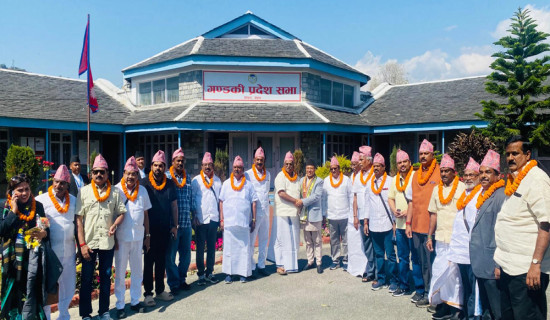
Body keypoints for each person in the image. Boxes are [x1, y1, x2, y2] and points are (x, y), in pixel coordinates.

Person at [495, 135, 550, 320]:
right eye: (508, 154)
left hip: (527, 270)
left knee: (528, 316)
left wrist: (535, 264)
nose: (510, 158)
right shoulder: (513, 179)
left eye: (515, 153)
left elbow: (546, 223)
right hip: (508, 266)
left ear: (527, 155)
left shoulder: (536, 179)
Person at [76, 154, 126, 320]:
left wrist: (115, 224)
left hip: (107, 242)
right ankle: (85, 315)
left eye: (102, 172)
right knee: (87, 279)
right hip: (89, 242)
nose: (99, 175)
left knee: (105, 277)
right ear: (91, 173)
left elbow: (121, 213)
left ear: (107, 173)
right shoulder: (83, 192)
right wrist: (82, 244)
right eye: (96, 172)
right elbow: (79, 221)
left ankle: (104, 311)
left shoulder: (116, 192)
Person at [0, 174, 51, 319]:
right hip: (12, 264)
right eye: (20, 190)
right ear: (12, 192)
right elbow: (2, 229)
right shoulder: (4, 207)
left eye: (27, 189)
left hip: (32, 262)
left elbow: (46, 229)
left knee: (33, 297)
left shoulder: (37, 206)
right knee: (14, 300)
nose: (24, 193)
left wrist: (43, 233)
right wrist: (14, 211)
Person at [426, 154, 466, 319]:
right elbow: (433, 214)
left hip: (457, 239)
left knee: (454, 276)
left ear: (454, 172)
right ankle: (442, 303)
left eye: (447, 171)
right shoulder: (436, 189)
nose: (443, 174)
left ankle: (455, 308)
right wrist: (429, 236)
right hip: (440, 239)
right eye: (441, 171)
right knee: (439, 271)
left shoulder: (463, 188)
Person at [113, 156, 151, 318]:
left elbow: (146, 214)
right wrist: (113, 237)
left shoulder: (142, 190)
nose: (130, 177)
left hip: (138, 237)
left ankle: (135, 301)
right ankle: (120, 305)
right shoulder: (116, 190)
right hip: (121, 238)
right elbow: (112, 215)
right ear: (123, 173)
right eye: (128, 174)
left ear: (137, 175)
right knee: (120, 273)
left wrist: (147, 236)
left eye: (134, 174)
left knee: (137, 271)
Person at [470, 149, 506, 320]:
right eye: (482, 172)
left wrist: (498, 264)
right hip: (480, 262)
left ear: (498, 176)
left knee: (497, 309)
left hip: (492, 264)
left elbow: (503, 233)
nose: (483, 175)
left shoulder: (501, 196)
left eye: (488, 172)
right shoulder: (481, 193)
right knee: (485, 308)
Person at [37, 165, 76, 320]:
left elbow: (79, 223)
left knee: (69, 285)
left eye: (62, 183)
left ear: (67, 185)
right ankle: (46, 316)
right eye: (56, 182)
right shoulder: (41, 200)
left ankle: (64, 315)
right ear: (52, 181)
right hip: (50, 253)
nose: (58, 186)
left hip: (69, 252)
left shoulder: (73, 200)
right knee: (49, 286)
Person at [405, 139, 441, 307]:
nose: (423, 156)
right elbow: (411, 202)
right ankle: (424, 291)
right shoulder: (415, 174)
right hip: (417, 225)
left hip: (432, 228)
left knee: (430, 263)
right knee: (419, 261)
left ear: (433, 154)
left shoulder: (440, 172)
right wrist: (408, 223)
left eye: (426, 153)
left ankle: (432, 294)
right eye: (420, 153)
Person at [140, 150, 178, 306]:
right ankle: (148, 294)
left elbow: (174, 206)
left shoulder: (169, 184)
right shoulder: (143, 183)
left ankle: (160, 290)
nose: (158, 168)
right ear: (151, 166)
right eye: (155, 165)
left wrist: (175, 226)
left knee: (161, 261)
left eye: (161, 166)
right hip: (148, 230)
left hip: (164, 229)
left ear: (165, 167)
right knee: (149, 262)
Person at [447, 157, 481, 320]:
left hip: (472, 252)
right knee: (465, 287)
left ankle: (474, 316)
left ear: (478, 176)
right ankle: (466, 314)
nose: (467, 178)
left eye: (472, 175)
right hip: (460, 251)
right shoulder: (464, 193)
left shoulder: (481, 194)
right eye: (465, 175)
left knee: (475, 289)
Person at [219, 156, 258, 283]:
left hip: (243, 222)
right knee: (229, 249)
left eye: (239, 168)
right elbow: (221, 201)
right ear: (232, 168)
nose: (237, 170)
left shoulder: (249, 185)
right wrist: (222, 220)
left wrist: (253, 219)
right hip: (229, 223)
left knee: (243, 249)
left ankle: (243, 274)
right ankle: (229, 274)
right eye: (235, 167)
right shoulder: (226, 184)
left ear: (243, 169)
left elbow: (253, 202)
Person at [365, 153, 397, 291]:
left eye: (379, 166)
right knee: (379, 255)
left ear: (384, 167)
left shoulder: (390, 181)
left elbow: (393, 202)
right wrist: (365, 222)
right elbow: (367, 203)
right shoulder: (369, 182)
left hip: (388, 225)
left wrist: (395, 222)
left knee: (390, 255)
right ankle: (381, 279)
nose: (376, 168)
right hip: (374, 225)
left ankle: (394, 280)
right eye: (375, 166)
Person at [165, 148, 194, 294]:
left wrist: (193, 216)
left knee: (186, 255)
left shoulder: (187, 177)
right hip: (173, 225)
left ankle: (182, 280)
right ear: (173, 162)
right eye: (178, 160)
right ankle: (174, 283)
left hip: (186, 223)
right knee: (170, 256)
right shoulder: (167, 177)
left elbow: (190, 198)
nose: (181, 163)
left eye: (182, 161)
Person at [191, 152, 222, 285]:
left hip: (213, 218)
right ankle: (201, 275)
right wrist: (194, 216)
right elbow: (192, 200)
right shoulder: (196, 181)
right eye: (205, 165)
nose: (208, 167)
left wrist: (221, 218)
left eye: (210, 164)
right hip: (201, 219)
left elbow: (221, 201)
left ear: (213, 165)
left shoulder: (218, 180)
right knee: (200, 249)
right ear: (201, 166)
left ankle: (210, 272)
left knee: (211, 248)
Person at [387, 149, 413, 297]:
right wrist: (394, 211)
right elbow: (390, 197)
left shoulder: (415, 177)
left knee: (415, 259)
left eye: (404, 162)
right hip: (400, 224)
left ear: (409, 162)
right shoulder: (395, 179)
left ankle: (421, 288)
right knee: (402, 257)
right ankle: (404, 285)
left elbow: (417, 200)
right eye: (399, 163)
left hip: (413, 224)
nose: (402, 165)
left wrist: (407, 212)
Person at [273, 151, 301, 275]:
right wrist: (296, 201)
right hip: (283, 213)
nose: (289, 166)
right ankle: (280, 265)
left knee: (294, 239)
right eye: (287, 164)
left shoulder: (297, 177)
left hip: (294, 213)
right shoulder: (280, 176)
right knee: (281, 239)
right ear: (283, 164)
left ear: (294, 165)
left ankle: (292, 264)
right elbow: (281, 193)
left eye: (291, 164)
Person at [245, 147, 271, 277]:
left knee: (264, 240)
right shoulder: (248, 174)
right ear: (254, 160)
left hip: (266, 212)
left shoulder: (268, 174)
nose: (259, 162)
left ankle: (261, 265)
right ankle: (251, 266)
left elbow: (266, 194)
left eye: (261, 160)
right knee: (251, 240)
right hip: (253, 213)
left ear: (264, 160)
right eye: (257, 160)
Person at [323, 156, 352, 270]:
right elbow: (324, 199)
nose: (333, 171)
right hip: (332, 215)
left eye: (335, 168)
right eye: (331, 169)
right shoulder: (326, 181)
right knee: (334, 240)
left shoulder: (346, 180)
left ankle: (345, 259)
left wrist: (351, 213)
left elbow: (350, 196)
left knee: (345, 239)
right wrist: (325, 214)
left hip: (344, 214)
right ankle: (335, 260)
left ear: (339, 168)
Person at [297, 159, 324, 274]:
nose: (309, 170)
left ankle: (318, 263)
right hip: (304, 215)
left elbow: (316, 196)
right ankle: (310, 261)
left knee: (317, 240)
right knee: (308, 240)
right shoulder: (302, 180)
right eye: (307, 168)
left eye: (311, 168)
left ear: (315, 169)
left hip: (315, 214)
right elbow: (298, 194)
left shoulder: (319, 181)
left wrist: (302, 201)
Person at [347, 151, 368, 278]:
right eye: (352, 164)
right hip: (352, 214)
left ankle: (364, 268)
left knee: (363, 242)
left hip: (362, 214)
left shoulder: (364, 176)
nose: (354, 166)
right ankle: (354, 266)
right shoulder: (351, 177)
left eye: (356, 164)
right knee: (353, 242)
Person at [357, 146, 376, 282]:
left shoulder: (375, 174)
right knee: (367, 244)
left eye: (361, 159)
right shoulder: (358, 176)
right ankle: (370, 270)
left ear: (369, 160)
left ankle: (375, 272)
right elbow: (355, 196)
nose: (359, 162)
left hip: (373, 216)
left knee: (375, 245)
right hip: (361, 215)